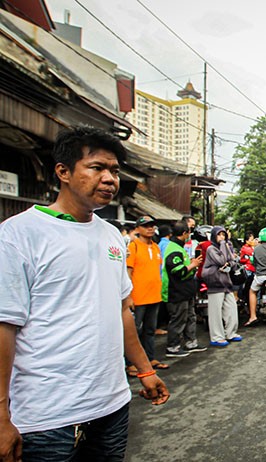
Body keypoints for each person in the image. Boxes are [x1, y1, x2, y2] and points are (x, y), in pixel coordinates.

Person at [0, 126, 169, 462]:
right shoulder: (18, 235)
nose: (109, 179)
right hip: (46, 419)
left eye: (115, 171)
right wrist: (1, 416)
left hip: (112, 405)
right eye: (97, 168)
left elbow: (122, 311)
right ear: (63, 172)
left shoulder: (111, 236)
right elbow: (5, 327)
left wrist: (144, 370)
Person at [126, 215, 168, 374]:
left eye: (152, 225)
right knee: (134, 331)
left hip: (154, 295)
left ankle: (150, 358)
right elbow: (128, 272)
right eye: (146, 226)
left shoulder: (156, 247)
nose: (150, 228)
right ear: (138, 229)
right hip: (138, 296)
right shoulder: (133, 246)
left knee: (149, 330)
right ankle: (131, 363)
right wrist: (128, 295)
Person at [162, 220, 206, 357]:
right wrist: (193, 265)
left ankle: (190, 342)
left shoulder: (179, 247)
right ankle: (173, 347)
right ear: (184, 233)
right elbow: (177, 271)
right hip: (176, 292)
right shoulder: (173, 249)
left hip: (186, 291)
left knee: (190, 317)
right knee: (178, 319)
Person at [203, 226, 242, 347]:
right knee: (216, 312)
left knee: (231, 308)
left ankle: (230, 333)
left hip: (226, 282)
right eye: (219, 235)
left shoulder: (225, 246)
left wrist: (226, 247)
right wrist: (223, 245)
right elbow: (221, 260)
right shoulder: (211, 249)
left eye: (223, 235)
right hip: (215, 282)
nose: (222, 237)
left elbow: (233, 261)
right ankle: (217, 337)